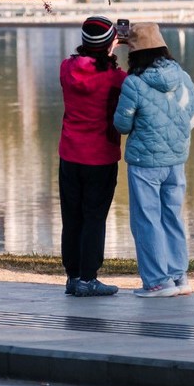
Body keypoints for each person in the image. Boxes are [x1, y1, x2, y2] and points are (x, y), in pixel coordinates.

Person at [112, 22, 194, 298]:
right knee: (172, 217)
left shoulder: (134, 83)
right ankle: (179, 276)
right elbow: (193, 118)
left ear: (134, 53)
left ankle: (157, 282)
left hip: (144, 163)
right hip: (176, 161)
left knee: (146, 220)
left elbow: (122, 125)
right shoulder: (183, 77)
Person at [58, 15, 127, 296]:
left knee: (71, 217)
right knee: (94, 218)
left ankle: (73, 277)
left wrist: (108, 45)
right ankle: (89, 278)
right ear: (111, 43)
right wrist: (124, 45)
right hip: (101, 156)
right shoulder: (115, 78)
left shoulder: (66, 68)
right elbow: (129, 85)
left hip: (70, 154)